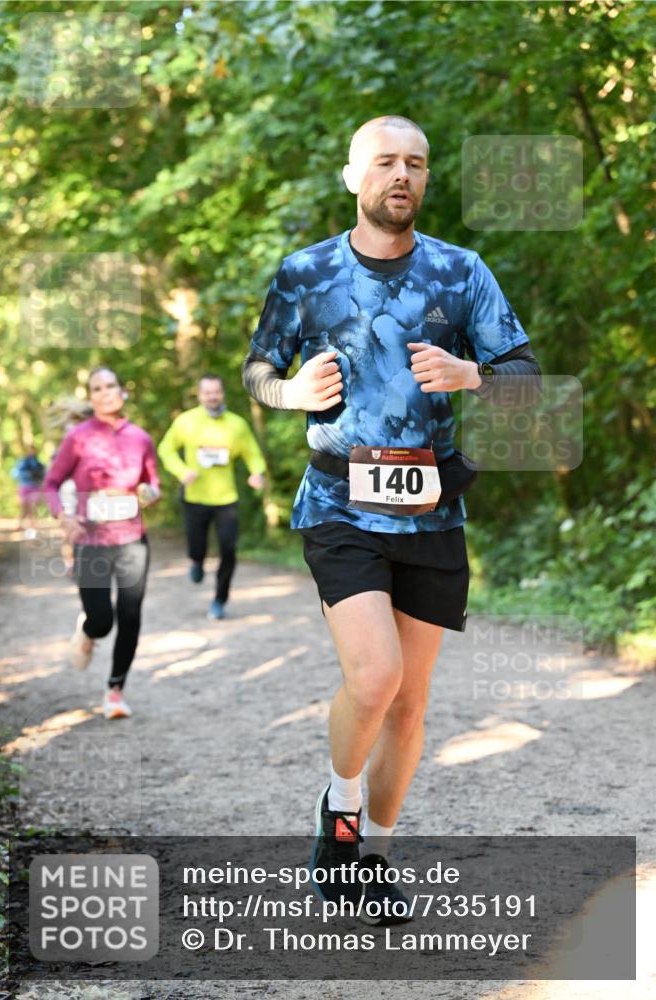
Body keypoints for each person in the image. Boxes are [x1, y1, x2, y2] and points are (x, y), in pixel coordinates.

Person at [242, 115, 542, 922]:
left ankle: (373, 855)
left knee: (409, 704)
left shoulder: (460, 270)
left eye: (415, 162)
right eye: (384, 161)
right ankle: (336, 817)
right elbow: (257, 371)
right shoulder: (304, 273)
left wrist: (471, 374)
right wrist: (290, 392)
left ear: (425, 178)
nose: (399, 174)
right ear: (353, 176)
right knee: (374, 677)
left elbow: (525, 376)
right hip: (339, 502)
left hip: (432, 508)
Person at [43, 367, 160, 720]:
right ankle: (88, 629)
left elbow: (153, 484)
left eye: (111, 385)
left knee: (130, 616)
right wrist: (64, 517)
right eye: (97, 388)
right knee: (102, 619)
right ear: (90, 396)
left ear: (122, 392)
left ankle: (115, 690)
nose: (105, 392)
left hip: (132, 541)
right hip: (90, 542)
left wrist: (150, 494)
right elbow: (51, 482)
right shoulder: (77, 437)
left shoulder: (140, 438)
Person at [158, 374, 266, 620]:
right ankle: (196, 561)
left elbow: (253, 454)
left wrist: (256, 473)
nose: (212, 396)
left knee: (228, 550)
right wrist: (182, 471)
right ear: (199, 395)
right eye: (207, 393)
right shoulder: (186, 421)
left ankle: (219, 600)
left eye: (216, 392)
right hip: (194, 497)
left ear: (222, 393)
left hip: (226, 499)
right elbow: (166, 449)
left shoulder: (236, 425)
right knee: (197, 547)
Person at [45, 396, 94, 575]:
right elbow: (54, 474)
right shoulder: (72, 433)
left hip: (84, 490)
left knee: (82, 528)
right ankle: (71, 562)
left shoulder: (95, 429)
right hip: (68, 487)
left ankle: (78, 560)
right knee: (69, 529)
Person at [11, 447, 46, 541]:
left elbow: (44, 475)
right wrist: (26, 474)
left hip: (34, 488)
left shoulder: (38, 464)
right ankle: (21, 526)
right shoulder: (23, 462)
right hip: (24, 487)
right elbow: (14, 473)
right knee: (24, 509)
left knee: (33, 509)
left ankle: (33, 529)